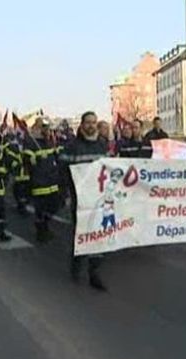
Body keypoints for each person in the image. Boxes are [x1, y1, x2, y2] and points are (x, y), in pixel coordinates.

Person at [60, 111, 110, 291]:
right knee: (81, 234)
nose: (91, 125)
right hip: (79, 199)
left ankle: (94, 273)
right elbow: (63, 171)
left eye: (94, 122)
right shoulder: (72, 146)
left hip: (98, 199)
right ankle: (76, 265)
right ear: (81, 125)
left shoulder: (102, 145)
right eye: (88, 122)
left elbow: (109, 170)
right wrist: (65, 193)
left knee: (98, 235)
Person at [23, 117, 62, 243]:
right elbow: (26, 159)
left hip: (52, 180)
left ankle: (44, 224)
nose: (48, 130)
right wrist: (32, 159)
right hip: (39, 182)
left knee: (55, 205)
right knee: (41, 208)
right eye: (45, 128)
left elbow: (56, 156)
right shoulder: (31, 142)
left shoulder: (49, 142)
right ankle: (41, 231)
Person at [4, 127, 31, 216]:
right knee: (19, 191)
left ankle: (23, 204)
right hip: (18, 173)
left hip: (26, 173)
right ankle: (21, 206)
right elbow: (9, 159)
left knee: (25, 191)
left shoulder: (27, 145)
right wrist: (17, 164)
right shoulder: (11, 147)